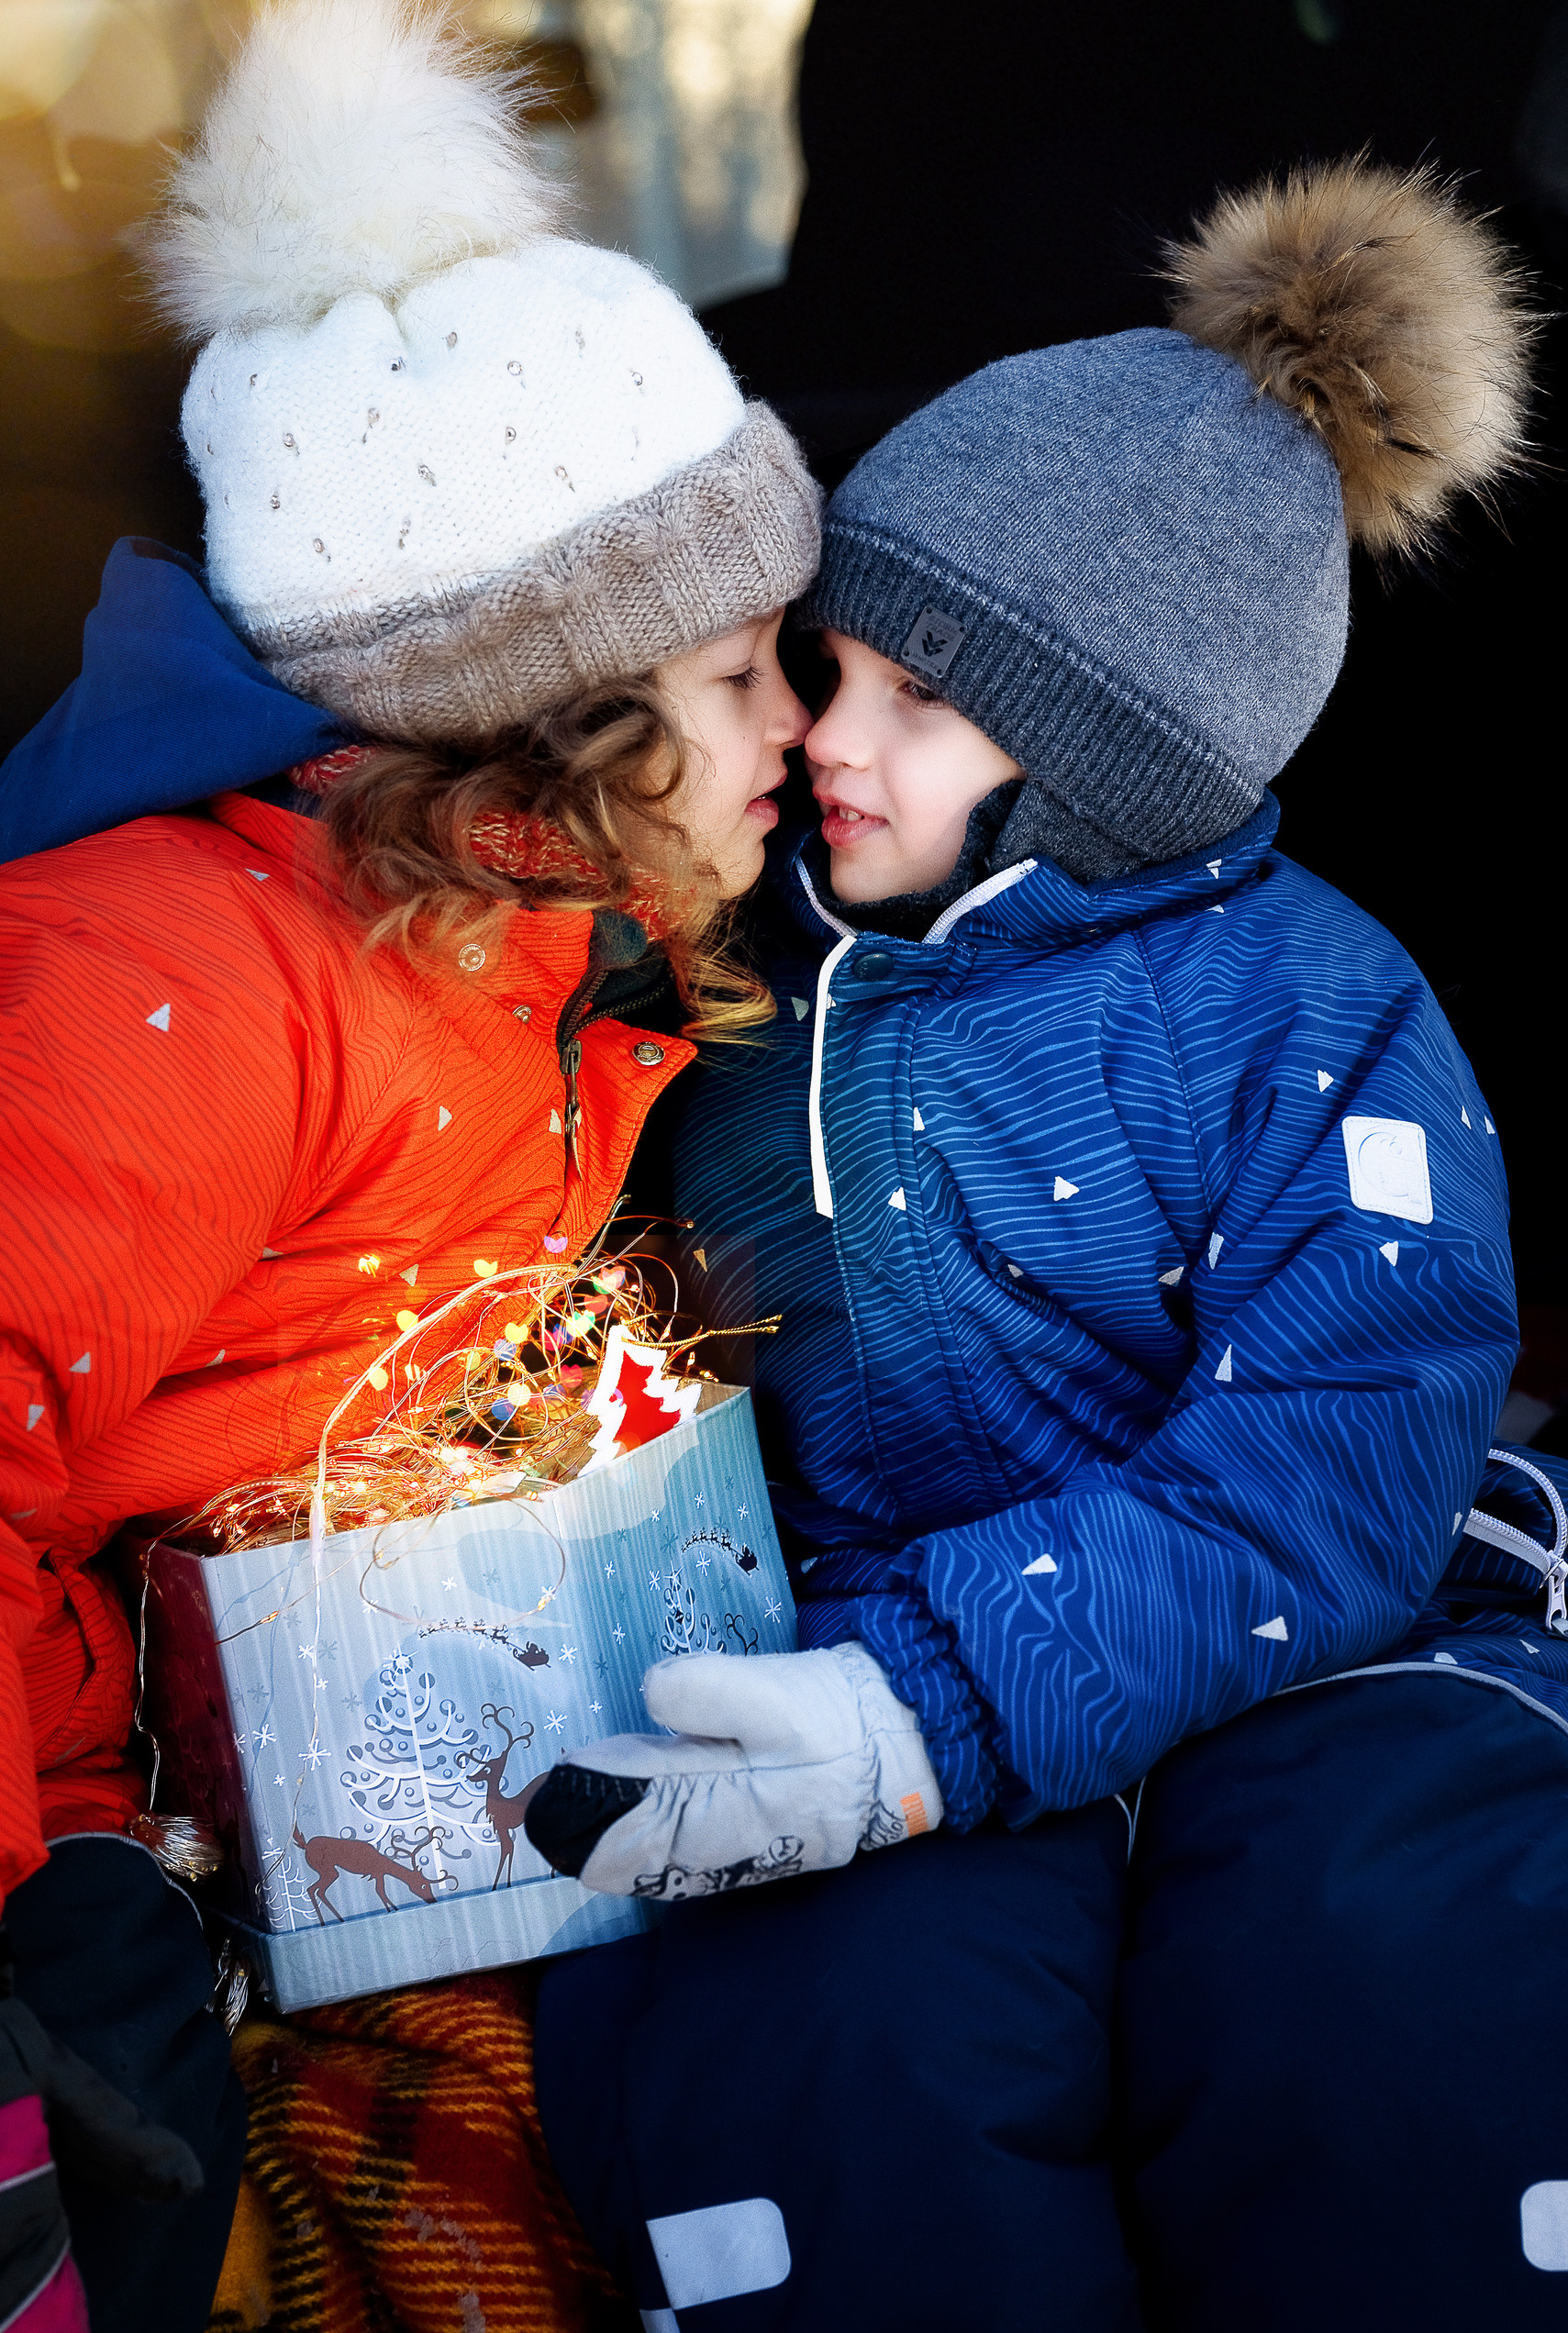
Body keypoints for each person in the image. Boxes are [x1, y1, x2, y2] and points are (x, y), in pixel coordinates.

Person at [523, 165, 1568, 2329]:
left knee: (1381, 1984)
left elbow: (1344, 1452)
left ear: (1100, 756)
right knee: (845, 2059)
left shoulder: (1315, 1013)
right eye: (828, 663)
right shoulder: (730, 975)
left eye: (917, 692)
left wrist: (928, 1710)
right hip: (835, 1665)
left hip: (1277, 1654)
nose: (821, 731)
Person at [0, 0, 817, 2327]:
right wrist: (60, 1885)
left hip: (396, 1816)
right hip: (137, 1887)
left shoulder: (550, 938)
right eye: (749, 665)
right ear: (561, 708)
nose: (799, 718)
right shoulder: (169, 985)